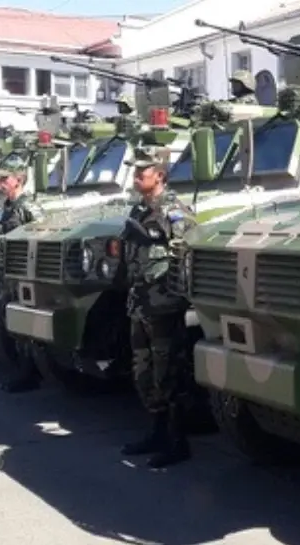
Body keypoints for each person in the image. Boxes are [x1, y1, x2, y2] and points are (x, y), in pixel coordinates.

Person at [119, 150, 197, 469]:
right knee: (143, 372)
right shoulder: (138, 210)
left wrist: (157, 240)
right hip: (140, 303)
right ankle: (156, 432)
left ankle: (178, 442)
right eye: (135, 173)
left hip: (163, 303)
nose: (137, 178)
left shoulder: (174, 210)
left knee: (169, 374)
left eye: (142, 173)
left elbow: (186, 249)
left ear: (159, 175)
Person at [0, 157, 43, 394]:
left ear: (19, 180)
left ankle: (28, 374)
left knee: (21, 324)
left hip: (22, 273)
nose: (1, 182)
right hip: (7, 273)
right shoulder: (9, 206)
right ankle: (21, 370)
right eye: (0, 178)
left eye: (5, 178)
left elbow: (41, 237)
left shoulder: (28, 207)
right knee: (8, 322)